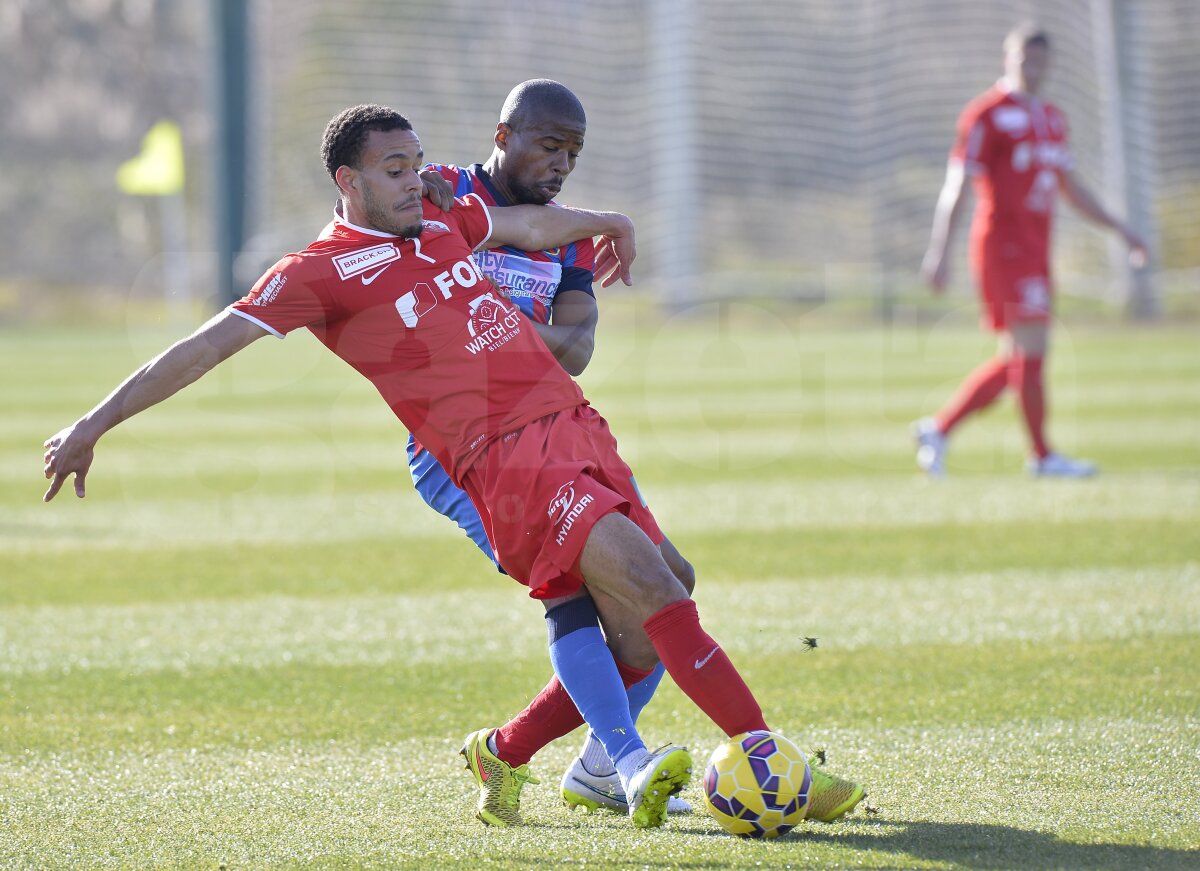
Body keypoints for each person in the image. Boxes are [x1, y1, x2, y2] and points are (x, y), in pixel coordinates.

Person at [43, 104, 862, 831]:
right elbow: (202, 346)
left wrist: (604, 218)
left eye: (418, 162)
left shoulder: (443, 223)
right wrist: (94, 421)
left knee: (666, 589)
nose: (415, 180)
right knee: (649, 589)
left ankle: (505, 752)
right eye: (394, 169)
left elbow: (526, 227)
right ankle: (763, 759)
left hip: (573, 427)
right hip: (504, 460)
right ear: (348, 179)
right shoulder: (316, 274)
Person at [409, 80, 692, 821]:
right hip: (459, 447)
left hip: (543, 434)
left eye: (574, 150)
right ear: (502, 134)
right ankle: (626, 761)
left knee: (670, 580)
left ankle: (541, 755)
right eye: (548, 143)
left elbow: (578, 348)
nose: (562, 161)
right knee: (573, 586)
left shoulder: (564, 232)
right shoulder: (443, 195)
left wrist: (495, 325)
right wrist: (520, 333)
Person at [916, 24, 1146, 478]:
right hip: (1002, 246)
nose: (1031, 68)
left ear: (1048, 64)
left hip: (1037, 248)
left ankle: (938, 430)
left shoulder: (1053, 118)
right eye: (1023, 59)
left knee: (1018, 361)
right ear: (1008, 60)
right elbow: (959, 183)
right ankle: (1042, 457)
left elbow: (1071, 189)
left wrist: (1121, 229)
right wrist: (938, 250)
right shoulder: (987, 114)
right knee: (1034, 352)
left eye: (1039, 60)